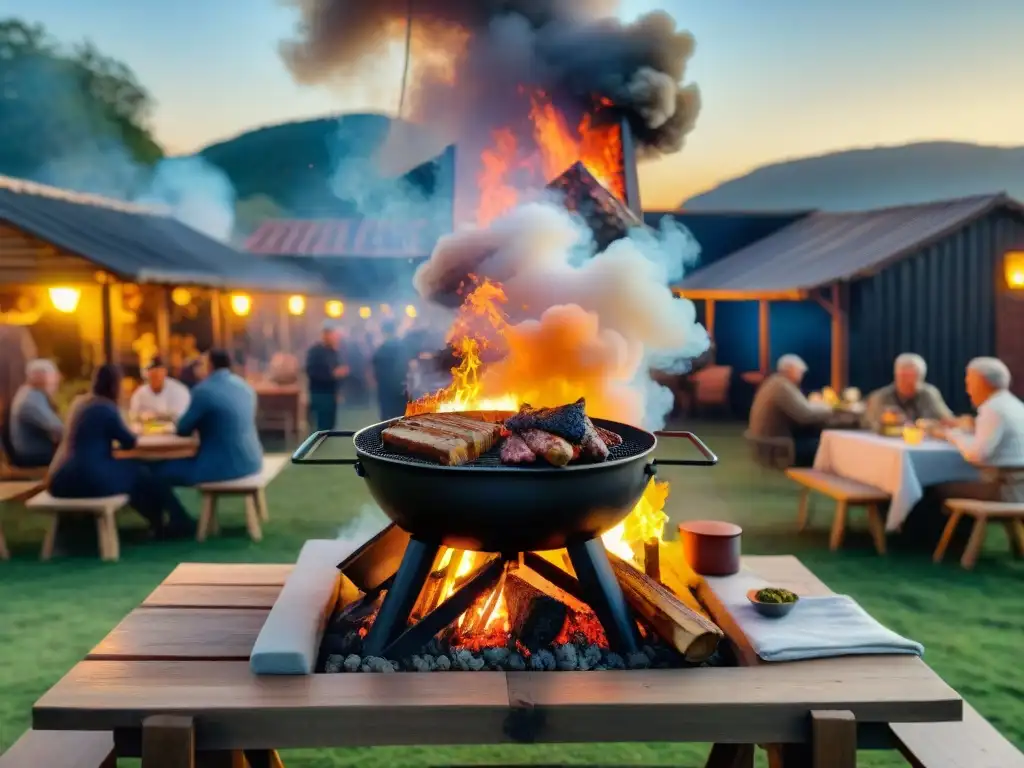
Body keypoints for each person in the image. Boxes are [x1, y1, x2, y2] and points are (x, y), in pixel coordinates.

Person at [47, 364, 196, 539]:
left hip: (60, 480)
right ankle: (173, 521)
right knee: (144, 474)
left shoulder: (81, 403)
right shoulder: (106, 408)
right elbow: (129, 442)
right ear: (114, 386)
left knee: (136, 474)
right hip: (88, 480)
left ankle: (165, 522)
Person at [156, 350, 263, 486]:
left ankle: (175, 509)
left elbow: (183, 430)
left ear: (210, 366)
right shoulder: (245, 387)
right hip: (252, 463)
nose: (196, 368)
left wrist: (173, 420)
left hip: (219, 470)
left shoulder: (203, 391)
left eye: (200, 364)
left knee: (155, 472)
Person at [934, 357, 1024, 503]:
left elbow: (977, 455)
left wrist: (952, 435)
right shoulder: (1013, 404)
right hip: (1017, 487)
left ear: (981, 383)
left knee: (936, 489)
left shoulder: (993, 408)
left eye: (969, 383)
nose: (968, 390)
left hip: (1007, 489)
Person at [748, 354, 834, 467]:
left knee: (818, 436)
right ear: (789, 370)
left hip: (768, 444)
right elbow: (805, 416)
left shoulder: (775, 382)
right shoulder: (782, 387)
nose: (802, 375)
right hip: (779, 446)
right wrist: (828, 408)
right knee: (830, 446)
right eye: (800, 371)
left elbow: (801, 409)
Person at [862, 353, 954, 431]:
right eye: (903, 377)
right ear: (896, 376)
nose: (907, 382)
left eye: (912, 378)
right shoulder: (880, 397)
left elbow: (947, 420)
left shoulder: (929, 394)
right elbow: (872, 425)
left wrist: (932, 424)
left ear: (921, 378)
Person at [6, 359, 64, 468]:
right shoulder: (31, 400)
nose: (56, 381)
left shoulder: (35, 395)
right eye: (53, 376)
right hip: (33, 456)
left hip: (35, 452)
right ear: (40, 377)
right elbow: (57, 428)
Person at [305, 322, 349, 431]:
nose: (336, 338)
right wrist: (332, 375)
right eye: (334, 335)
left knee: (330, 425)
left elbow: (338, 368)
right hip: (319, 393)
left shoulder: (334, 351)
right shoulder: (315, 351)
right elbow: (312, 372)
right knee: (321, 426)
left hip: (331, 393)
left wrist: (340, 375)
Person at [128, 356, 191, 423]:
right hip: (147, 431)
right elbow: (134, 415)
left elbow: (180, 417)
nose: (155, 379)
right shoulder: (140, 393)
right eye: (152, 376)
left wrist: (156, 416)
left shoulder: (179, 390)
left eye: (158, 375)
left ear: (164, 373)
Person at [372, 321, 412, 420]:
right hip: (400, 388)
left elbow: (375, 369)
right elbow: (406, 367)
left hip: (385, 390)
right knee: (401, 418)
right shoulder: (402, 347)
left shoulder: (381, 349)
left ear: (384, 332)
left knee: (386, 420)